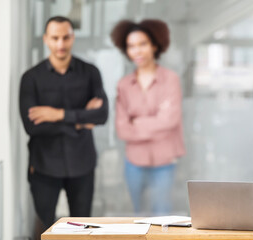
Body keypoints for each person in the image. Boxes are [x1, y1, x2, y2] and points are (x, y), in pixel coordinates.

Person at [19, 16, 108, 228]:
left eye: (66, 37)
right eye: (55, 38)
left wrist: (57, 114)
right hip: (44, 165)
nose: (61, 44)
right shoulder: (31, 78)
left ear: (73, 37)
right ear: (46, 39)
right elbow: (32, 127)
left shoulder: (90, 72)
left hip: (82, 163)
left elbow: (101, 115)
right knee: (45, 226)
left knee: (83, 227)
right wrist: (79, 121)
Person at [111, 19, 185, 216]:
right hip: (134, 162)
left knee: (163, 215)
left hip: (164, 161)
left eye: (142, 44)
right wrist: (154, 123)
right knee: (139, 215)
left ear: (154, 45)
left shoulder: (170, 79)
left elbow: (170, 120)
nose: (137, 51)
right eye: (131, 46)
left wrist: (137, 123)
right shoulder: (124, 85)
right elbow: (122, 129)